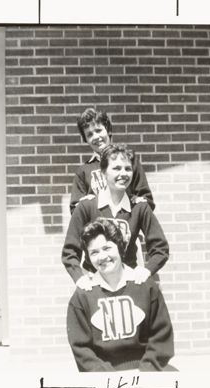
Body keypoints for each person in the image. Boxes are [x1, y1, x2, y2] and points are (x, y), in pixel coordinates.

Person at [66, 218, 174, 372]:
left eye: (107, 248)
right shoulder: (83, 295)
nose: (102, 257)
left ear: (119, 247)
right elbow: (82, 349)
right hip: (104, 378)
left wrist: (145, 373)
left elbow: (162, 337)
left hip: (145, 372)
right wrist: (108, 378)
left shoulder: (144, 286)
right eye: (94, 252)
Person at [62, 144, 169, 290]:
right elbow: (69, 251)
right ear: (104, 172)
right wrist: (80, 278)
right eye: (117, 168)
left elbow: (160, 248)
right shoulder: (87, 207)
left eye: (128, 169)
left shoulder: (139, 207)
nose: (123, 174)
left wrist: (146, 270)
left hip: (129, 282)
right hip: (95, 283)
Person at [70, 107, 154, 214]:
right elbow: (75, 209)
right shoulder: (83, 171)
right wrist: (87, 205)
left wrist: (134, 205)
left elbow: (146, 200)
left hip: (126, 224)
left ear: (108, 130)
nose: (96, 137)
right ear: (86, 140)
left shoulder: (128, 160)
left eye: (98, 130)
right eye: (90, 134)